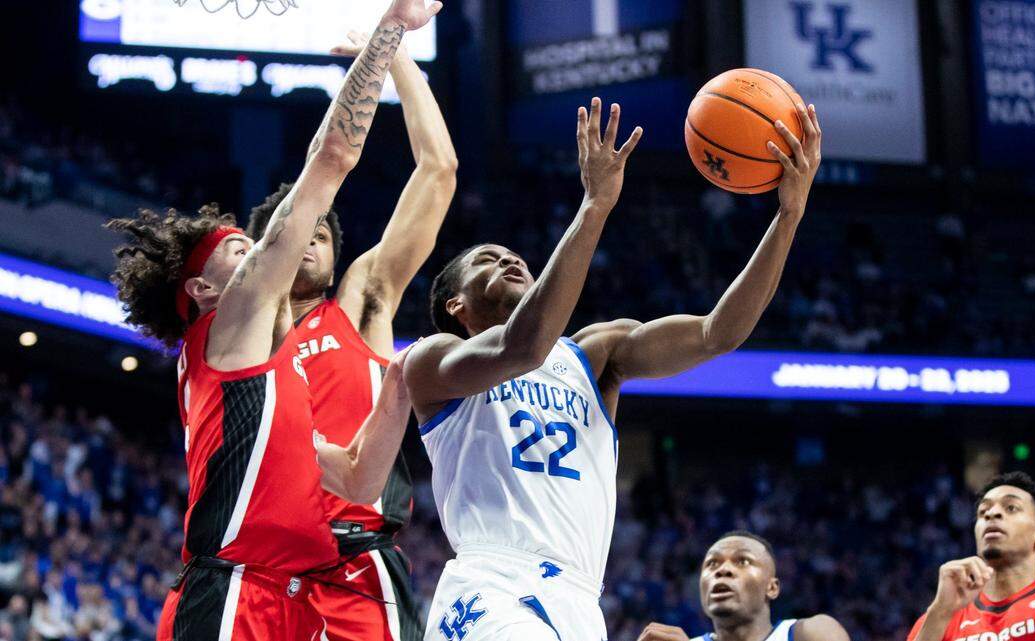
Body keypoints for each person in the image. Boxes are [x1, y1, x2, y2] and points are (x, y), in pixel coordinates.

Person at [351, 97, 818, 641]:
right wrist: (594, 206)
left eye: (513, 256)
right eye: (486, 259)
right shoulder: (434, 361)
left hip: (578, 595)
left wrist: (789, 216)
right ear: (456, 306)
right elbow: (523, 347)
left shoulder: (596, 355)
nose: (508, 260)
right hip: (491, 583)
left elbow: (720, 332)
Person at [105, 1, 439, 638]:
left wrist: (397, 387)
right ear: (203, 289)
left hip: (290, 599)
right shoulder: (223, 328)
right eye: (242, 250)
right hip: (232, 586)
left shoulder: (263, 383)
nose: (261, 256)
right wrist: (392, 27)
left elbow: (359, 474)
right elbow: (333, 155)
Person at [246, 37, 456, 641]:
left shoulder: (360, 304)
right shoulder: (242, 337)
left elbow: (438, 171)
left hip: (354, 564)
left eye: (323, 233)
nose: (310, 239)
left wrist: (394, 55)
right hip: (263, 568)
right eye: (297, 230)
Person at [907, 472, 1035, 641]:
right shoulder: (938, 620)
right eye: (983, 511)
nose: (991, 514)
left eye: (1011, 508)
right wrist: (940, 610)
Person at [637, 531, 850, 641]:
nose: (722, 570)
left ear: (772, 587)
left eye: (743, 561)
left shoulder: (812, 632)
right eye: (711, 564)